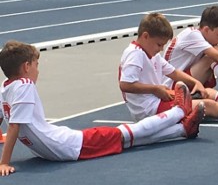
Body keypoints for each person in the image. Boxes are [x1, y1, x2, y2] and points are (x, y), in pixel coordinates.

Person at [0, 41, 204, 176]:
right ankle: (178, 111)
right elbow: (14, 127)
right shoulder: (25, 86)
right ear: (26, 67)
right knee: (124, 132)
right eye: (36, 65)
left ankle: (182, 130)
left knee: (126, 142)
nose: (38, 70)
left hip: (57, 146)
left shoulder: (5, 89)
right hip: (68, 145)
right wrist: (4, 162)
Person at [162, 6, 218, 121]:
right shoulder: (191, 35)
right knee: (212, 57)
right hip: (173, 86)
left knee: (212, 94)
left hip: (185, 81)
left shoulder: (200, 37)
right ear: (206, 30)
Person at [118, 12, 207, 122]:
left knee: (207, 95)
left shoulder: (152, 55)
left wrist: (195, 83)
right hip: (148, 109)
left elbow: (174, 73)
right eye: (159, 44)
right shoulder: (135, 54)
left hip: (155, 101)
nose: (161, 49)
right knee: (207, 105)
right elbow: (125, 84)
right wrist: (155, 89)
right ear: (145, 36)